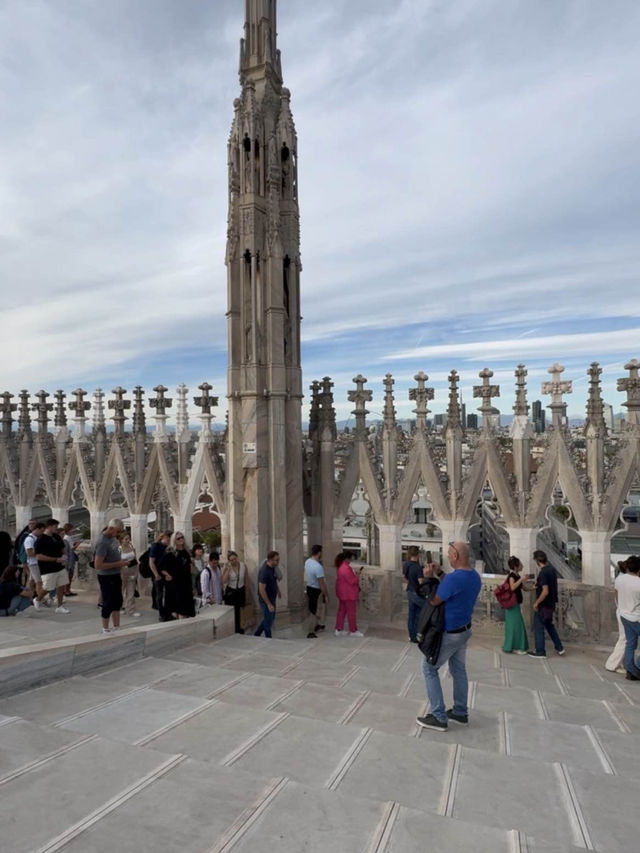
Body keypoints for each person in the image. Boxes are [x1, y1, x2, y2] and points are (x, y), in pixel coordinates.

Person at [417, 541, 482, 732]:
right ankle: (460, 712)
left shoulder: (454, 579)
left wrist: (427, 579)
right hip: (464, 630)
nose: (447, 556)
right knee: (459, 670)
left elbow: (435, 600)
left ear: (455, 556)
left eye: (448, 553)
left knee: (429, 668)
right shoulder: (473, 576)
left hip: (450, 633)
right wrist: (439, 573)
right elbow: (451, 587)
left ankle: (438, 716)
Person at [527, 550, 565, 658]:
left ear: (537, 561)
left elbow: (545, 591)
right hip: (551, 603)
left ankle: (540, 651)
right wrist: (538, 584)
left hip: (543, 605)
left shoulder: (543, 573)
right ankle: (559, 647)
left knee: (538, 627)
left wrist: (536, 603)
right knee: (549, 625)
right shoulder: (551, 570)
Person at [95, 519, 130, 634]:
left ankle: (116, 626)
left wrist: (121, 561)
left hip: (115, 574)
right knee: (108, 602)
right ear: (111, 529)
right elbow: (98, 565)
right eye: (118, 532)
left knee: (117, 601)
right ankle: (105, 628)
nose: (119, 534)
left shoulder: (112, 539)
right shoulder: (103, 542)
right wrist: (118, 564)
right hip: (106, 576)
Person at [34, 519, 70, 614]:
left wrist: (64, 556)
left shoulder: (56, 536)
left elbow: (62, 548)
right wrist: (55, 559)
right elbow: (38, 556)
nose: (56, 528)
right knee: (48, 587)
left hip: (59, 566)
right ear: (49, 526)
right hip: (47, 568)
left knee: (61, 585)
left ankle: (59, 606)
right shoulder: (40, 539)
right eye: (55, 526)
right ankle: (37, 599)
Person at [614, 554, 640, 681]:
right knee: (631, 643)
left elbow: (616, 596)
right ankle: (637, 668)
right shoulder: (638, 583)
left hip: (624, 615)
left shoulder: (620, 579)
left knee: (630, 643)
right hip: (636, 618)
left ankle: (630, 669)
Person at [159, 532, 196, 619]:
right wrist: (167, 575)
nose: (181, 539)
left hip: (186, 583)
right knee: (180, 609)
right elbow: (160, 566)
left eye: (182, 537)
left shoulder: (186, 551)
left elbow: (189, 566)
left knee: (187, 609)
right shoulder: (171, 552)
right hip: (176, 584)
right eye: (178, 538)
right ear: (174, 540)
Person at [502, 556, 529, 654]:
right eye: (520, 564)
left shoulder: (517, 576)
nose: (522, 565)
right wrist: (522, 579)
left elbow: (524, 588)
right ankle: (516, 647)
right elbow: (512, 587)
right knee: (516, 625)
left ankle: (512, 646)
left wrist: (533, 587)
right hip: (512, 604)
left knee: (515, 625)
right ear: (516, 566)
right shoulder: (512, 576)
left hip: (515, 604)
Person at [606, 560, 628, 673]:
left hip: (621, 611)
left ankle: (622, 663)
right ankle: (612, 664)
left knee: (624, 640)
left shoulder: (619, 579)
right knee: (624, 640)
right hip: (626, 614)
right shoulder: (627, 580)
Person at [334, 551, 363, 638]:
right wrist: (357, 576)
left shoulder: (342, 566)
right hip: (348, 594)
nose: (351, 560)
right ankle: (353, 630)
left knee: (342, 611)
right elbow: (352, 581)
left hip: (343, 593)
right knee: (351, 612)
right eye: (351, 558)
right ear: (347, 558)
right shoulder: (346, 568)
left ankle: (339, 629)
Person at [304, 544, 329, 639]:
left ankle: (318, 625)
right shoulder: (318, 567)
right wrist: (326, 595)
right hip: (316, 589)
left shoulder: (307, 561)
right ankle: (311, 631)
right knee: (314, 611)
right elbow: (322, 583)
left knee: (313, 609)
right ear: (319, 553)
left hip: (309, 587)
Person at [254, 550, 280, 638]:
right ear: (270, 560)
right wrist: (268, 604)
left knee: (269, 619)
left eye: (278, 560)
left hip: (272, 597)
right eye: (276, 560)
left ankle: (256, 634)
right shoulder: (264, 571)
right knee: (268, 621)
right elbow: (261, 589)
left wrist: (278, 590)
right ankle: (269, 638)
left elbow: (274, 581)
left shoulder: (272, 568)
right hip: (266, 600)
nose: (278, 562)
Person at [24, 522, 48, 609]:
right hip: (34, 563)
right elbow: (29, 553)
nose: (42, 532)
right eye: (41, 531)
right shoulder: (30, 539)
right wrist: (41, 552)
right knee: (39, 582)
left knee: (31, 582)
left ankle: (28, 598)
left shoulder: (36, 538)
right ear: (37, 529)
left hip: (36, 562)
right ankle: (40, 600)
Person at [222, 551, 247, 634]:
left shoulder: (243, 565)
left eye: (235, 559)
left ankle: (241, 629)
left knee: (241, 611)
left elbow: (246, 579)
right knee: (233, 612)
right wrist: (228, 570)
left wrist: (247, 593)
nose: (233, 561)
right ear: (229, 560)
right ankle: (233, 630)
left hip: (240, 590)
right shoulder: (227, 567)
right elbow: (224, 581)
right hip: (231, 592)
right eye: (231, 560)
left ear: (237, 557)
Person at [150, 531, 172, 621]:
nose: (169, 541)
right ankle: (161, 614)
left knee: (169, 594)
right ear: (164, 537)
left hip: (168, 573)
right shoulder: (156, 546)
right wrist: (156, 574)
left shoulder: (169, 547)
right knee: (159, 595)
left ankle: (168, 613)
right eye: (168, 539)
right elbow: (151, 562)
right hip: (158, 573)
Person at [404, 546, 425, 643]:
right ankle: (417, 635)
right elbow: (421, 582)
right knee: (420, 613)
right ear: (418, 554)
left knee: (411, 614)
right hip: (417, 593)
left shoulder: (406, 564)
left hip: (409, 590)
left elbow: (406, 577)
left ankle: (411, 636)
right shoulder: (417, 567)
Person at [119, 533, 140, 618]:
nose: (128, 541)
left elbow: (135, 561)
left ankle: (130, 609)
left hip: (131, 571)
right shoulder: (119, 549)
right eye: (126, 539)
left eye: (128, 539)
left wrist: (136, 573)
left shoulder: (132, 548)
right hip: (122, 572)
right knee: (121, 591)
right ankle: (119, 608)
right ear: (121, 540)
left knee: (131, 591)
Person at [61, 523, 79, 597]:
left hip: (67, 558)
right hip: (70, 559)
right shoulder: (68, 537)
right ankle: (67, 590)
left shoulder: (65, 537)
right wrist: (77, 544)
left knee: (68, 575)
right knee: (69, 575)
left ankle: (66, 590)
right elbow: (71, 549)